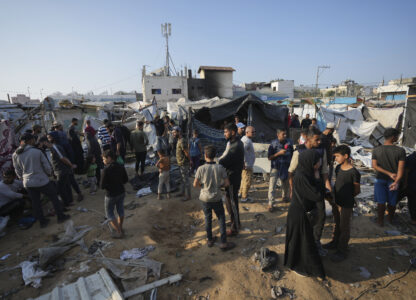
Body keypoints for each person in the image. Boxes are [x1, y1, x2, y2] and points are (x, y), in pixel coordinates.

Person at [288, 127, 332, 256]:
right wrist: (292, 190)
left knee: (320, 215)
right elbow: (291, 172)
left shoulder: (321, 150)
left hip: (317, 188)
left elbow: (324, 171)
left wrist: (328, 187)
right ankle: (303, 243)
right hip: (302, 189)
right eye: (316, 140)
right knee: (305, 216)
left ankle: (316, 242)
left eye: (320, 139)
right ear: (307, 138)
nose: (319, 142)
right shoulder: (298, 151)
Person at [12, 133, 69, 228]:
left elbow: (17, 170)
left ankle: (42, 222)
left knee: (36, 203)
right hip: (41, 180)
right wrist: (50, 174)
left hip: (28, 182)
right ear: (30, 141)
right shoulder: (36, 151)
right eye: (33, 139)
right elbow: (46, 166)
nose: (35, 141)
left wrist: (22, 178)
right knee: (54, 197)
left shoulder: (15, 154)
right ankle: (60, 216)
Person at [284, 149, 325, 280]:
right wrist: (318, 177)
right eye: (318, 160)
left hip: (302, 212)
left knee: (301, 240)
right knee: (304, 241)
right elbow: (317, 195)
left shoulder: (307, 173)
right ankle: (302, 266)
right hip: (299, 214)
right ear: (310, 161)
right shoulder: (301, 176)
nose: (320, 162)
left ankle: (296, 263)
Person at [194, 145, 236, 251]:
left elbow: (195, 184)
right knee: (221, 218)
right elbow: (227, 183)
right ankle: (223, 242)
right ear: (215, 156)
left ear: (205, 155)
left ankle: (209, 239)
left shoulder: (201, 168)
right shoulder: (220, 168)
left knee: (208, 218)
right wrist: (219, 186)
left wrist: (203, 187)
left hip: (204, 198)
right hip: (216, 197)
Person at [323, 145, 360, 262]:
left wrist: (349, 197)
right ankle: (334, 242)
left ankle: (342, 250)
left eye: (338, 156)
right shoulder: (338, 168)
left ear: (346, 156)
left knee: (344, 227)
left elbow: (357, 190)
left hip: (346, 204)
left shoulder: (354, 172)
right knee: (336, 223)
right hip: (336, 201)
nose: (336, 158)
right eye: (335, 156)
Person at [372, 128, 406, 226]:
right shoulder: (400, 151)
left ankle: (380, 221)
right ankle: (390, 220)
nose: (398, 138)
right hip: (393, 180)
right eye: (397, 136)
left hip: (379, 179)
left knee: (381, 202)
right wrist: (396, 181)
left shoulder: (376, 150)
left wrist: (387, 173)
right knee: (392, 201)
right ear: (393, 137)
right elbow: (401, 169)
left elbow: (374, 166)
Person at [219, 123, 244, 236]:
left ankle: (235, 228)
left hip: (232, 178)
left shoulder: (236, 146)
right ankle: (235, 222)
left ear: (233, 132)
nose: (224, 134)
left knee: (232, 202)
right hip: (232, 176)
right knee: (229, 200)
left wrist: (219, 160)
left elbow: (224, 161)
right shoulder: (233, 143)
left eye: (226, 132)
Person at [53, 123, 84, 202]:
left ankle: (77, 194)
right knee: (69, 181)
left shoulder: (61, 144)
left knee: (70, 180)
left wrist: (70, 164)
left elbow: (66, 155)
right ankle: (73, 196)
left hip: (66, 164)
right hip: (66, 164)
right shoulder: (63, 142)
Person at [101, 150, 128, 238]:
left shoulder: (106, 170)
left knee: (109, 213)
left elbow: (102, 185)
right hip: (121, 192)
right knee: (120, 210)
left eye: (104, 159)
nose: (103, 161)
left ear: (109, 158)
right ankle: (120, 227)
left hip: (111, 194)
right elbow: (125, 180)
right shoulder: (121, 166)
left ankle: (119, 231)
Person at [47, 131, 76, 207]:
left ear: (54, 138)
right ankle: (70, 201)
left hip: (61, 170)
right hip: (62, 170)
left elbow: (62, 158)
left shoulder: (55, 147)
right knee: (66, 186)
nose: (48, 139)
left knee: (61, 188)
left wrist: (71, 165)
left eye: (49, 138)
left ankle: (67, 203)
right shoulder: (56, 146)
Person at [268, 129, 294, 211]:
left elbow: (293, 154)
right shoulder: (273, 144)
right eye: (283, 134)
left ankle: (285, 197)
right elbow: (269, 157)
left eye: (286, 134)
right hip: (276, 167)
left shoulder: (289, 142)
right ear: (278, 135)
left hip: (286, 166)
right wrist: (278, 154)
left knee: (285, 184)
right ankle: (271, 203)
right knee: (272, 185)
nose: (285, 136)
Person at [174, 127, 191, 201]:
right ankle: (183, 192)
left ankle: (188, 196)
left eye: (174, 132)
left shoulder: (182, 141)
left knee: (186, 180)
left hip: (184, 163)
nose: (173, 134)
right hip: (180, 163)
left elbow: (186, 152)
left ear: (179, 132)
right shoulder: (179, 140)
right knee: (182, 179)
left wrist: (190, 161)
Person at [240, 126, 256, 203]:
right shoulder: (246, 141)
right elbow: (241, 152)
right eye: (252, 132)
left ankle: (241, 193)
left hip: (246, 164)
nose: (254, 133)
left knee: (244, 180)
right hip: (247, 165)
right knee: (247, 181)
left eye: (254, 132)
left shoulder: (246, 139)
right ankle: (244, 197)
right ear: (247, 132)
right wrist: (243, 163)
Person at [405, 149, 416, 225]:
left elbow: (406, 171)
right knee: (413, 202)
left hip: (410, 184)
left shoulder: (411, 157)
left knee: (412, 202)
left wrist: (404, 183)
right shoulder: (412, 157)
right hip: (411, 184)